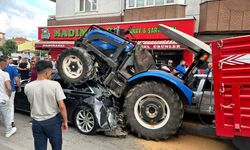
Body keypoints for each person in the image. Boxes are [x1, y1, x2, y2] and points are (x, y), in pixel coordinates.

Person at [24, 60, 68, 150]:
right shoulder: (55, 85)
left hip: (36, 122)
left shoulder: (28, 86)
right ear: (47, 71)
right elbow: (62, 106)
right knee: (56, 146)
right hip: (52, 121)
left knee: (40, 148)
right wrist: (65, 121)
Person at [1, 55, 21, 127]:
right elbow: (16, 79)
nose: (9, 60)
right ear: (6, 60)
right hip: (10, 89)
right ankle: (11, 121)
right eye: (8, 59)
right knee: (10, 105)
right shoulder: (11, 68)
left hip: (1, 90)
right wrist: (19, 87)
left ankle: (3, 119)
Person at [0, 57, 17, 137]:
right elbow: (9, 87)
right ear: (2, 65)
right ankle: (8, 131)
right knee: (6, 115)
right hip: (3, 98)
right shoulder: (4, 74)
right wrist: (9, 94)